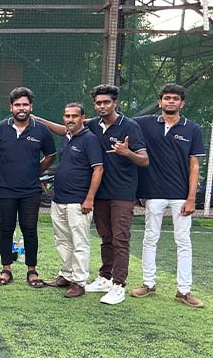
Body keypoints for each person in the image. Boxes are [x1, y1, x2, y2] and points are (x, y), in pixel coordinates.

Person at [37, 84, 148, 305]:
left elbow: (144, 159)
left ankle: (119, 285)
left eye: (106, 102)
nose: (102, 106)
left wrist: (127, 152)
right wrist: (37, 119)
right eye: (98, 103)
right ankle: (105, 278)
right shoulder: (94, 124)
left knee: (120, 239)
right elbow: (66, 128)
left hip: (122, 192)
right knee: (106, 238)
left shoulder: (130, 126)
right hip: (100, 193)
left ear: (115, 103)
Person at [131, 84, 205, 308]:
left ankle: (184, 291)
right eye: (167, 98)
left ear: (182, 103)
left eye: (175, 98)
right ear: (160, 102)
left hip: (181, 195)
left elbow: (194, 166)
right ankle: (148, 284)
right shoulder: (145, 123)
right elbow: (118, 122)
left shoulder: (192, 128)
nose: (171, 101)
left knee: (183, 241)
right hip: (153, 193)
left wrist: (191, 198)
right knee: (150, 238)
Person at [0, 87, 56, 288]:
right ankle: (6, 269)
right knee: (6, 229)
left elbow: (50, 156)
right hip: (4, 189)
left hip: (30, 190)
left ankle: (32, 271)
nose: (21, 108)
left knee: (30, 229)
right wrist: (0, 170)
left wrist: (35, 170)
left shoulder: (41, 130)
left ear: (31, 107)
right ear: (11, 107)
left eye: (25, 104)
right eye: (17, 105)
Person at [41, 103, 103, 298]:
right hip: (59, 199)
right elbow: (58, 129)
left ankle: (79, 281)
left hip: (78, 201)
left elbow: (98, 169)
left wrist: (89, 198)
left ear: (83, 118)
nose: (70, 119)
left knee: (79, 242)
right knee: (62, 240)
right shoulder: (67, 137)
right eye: (67, 116)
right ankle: (67, 275)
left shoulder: (90, 139)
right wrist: (37, 118)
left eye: (74, 116)